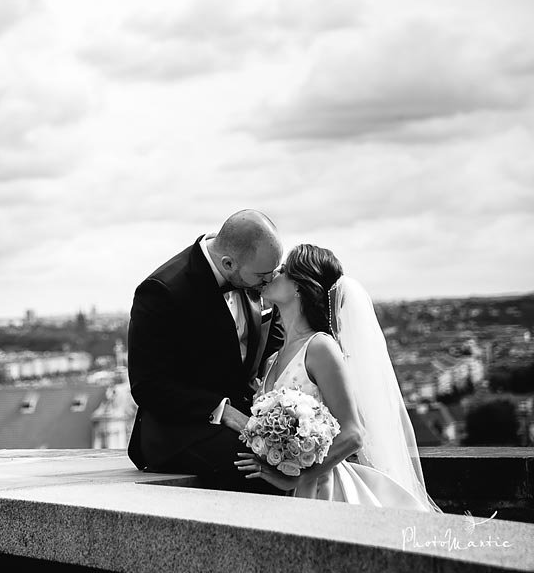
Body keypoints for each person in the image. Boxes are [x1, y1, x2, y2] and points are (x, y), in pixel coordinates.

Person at [234, 244, 441, 511]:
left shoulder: (320, 347)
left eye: (283, 270)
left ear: (299, 286)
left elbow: (354, 433)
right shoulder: (273, 357)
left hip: (323, 492)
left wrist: (297, 477)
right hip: (279, 495)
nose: (273, 273)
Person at [127, 209, 286, 494]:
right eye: (263, 276)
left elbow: (272, 341)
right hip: (178, 430)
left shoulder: (249, 272)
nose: (269, 282)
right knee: (264, 467)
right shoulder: (162, 291)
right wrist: (224, 412)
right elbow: (148, 386)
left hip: (245, 416)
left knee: (291, 450)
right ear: (228, 263)